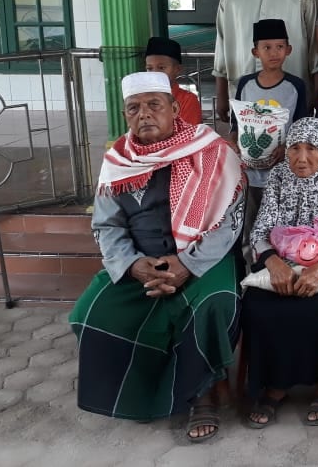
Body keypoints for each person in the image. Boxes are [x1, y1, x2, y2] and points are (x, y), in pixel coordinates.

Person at [69, 71, 244, 442]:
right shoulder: (117, 161)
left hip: (202, 257)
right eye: (134, 108)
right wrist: (133, 265)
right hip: (142, 262)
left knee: (214, 304)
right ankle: (140, 385)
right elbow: (106, 226)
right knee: (90, 311)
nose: (144, 114)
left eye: (154, 105)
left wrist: (188, 264)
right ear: (124, 114)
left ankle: (203, 393)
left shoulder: (211, 150)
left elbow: (231, 220)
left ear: (174, 109)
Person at [241, 118, 318, 428]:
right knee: (258, 303)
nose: (302, 157)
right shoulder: (279, 176)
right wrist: (274, 262)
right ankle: (275, 385)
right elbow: (261, 231)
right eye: (295, 148)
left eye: (311, 149)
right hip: (282, 262)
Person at [229, 18, 309, 237]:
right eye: (267, 48)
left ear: (289, 50)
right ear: (256, 52)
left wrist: (287, 148)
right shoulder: (245, 84)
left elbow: (301, 125)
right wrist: (234, 143)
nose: (274, 53)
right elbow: (236, 123)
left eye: (280, 47)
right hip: (249, 174)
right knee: (250, 223)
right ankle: (251, 265)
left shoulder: (295, 86)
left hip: (283, 171)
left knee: (281, 223)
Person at [144, 36, 201, 124]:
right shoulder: (141, 99)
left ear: (177, 69)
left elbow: (189, 134)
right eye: (149, 68)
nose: (155, 73)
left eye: (161, 68)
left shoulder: (188, 100)